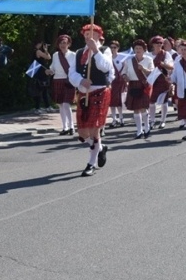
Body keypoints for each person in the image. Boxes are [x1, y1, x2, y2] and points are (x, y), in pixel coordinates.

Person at [68, 23, 113, 177]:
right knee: (82, 132)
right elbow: (71, 73)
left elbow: (106, 67)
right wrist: (80, 81)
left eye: (91, 33)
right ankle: (100, 148)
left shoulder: (104, 50)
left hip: (100, 92)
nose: (88, 36)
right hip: (84, 93)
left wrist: (95, 50)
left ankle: (91, 163)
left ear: (98, 36)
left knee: (95, 129)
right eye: (86, 34)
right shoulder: (79, 53)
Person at [122, 39, 154, 138]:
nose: (138, 50)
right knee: (136, 109)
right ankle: (139, 131)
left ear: (144, 50)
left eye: (140, 48)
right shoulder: (129, 61)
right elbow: (124, 72)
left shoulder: (149, 60)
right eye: (136, 48)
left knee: (143, 108)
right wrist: (125, 77)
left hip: (143, 85)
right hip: (133, 85)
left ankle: (147, 128)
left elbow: (152, 73)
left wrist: (143, 69)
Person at [48, 34, 76, 135]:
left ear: (68, 44)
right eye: (61, 43)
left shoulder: (73, 55)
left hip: (68, 81)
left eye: (65, 43)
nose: (63, 45)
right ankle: (65, 127)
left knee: (66, 104)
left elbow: (76, 69)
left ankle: (71, 126)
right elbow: (53, 68)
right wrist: (49, 71)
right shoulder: (56, 55)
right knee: (60, 104)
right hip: (57, 80)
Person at [148, 35, 174, 130]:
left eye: (160, 43)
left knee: (164, 102)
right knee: (151, 102)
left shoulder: (166, 54)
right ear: (153, 44)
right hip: (152, 80)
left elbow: (171, 67)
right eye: (157, 43)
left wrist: (163, 64)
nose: (159, 45)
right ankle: (152, 120)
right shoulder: (148, 55)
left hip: (163, 80)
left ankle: (163, 121)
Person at [28, 40, 53, 114]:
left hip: (39, 71)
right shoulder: (38, 51)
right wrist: (46, 50)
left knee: (43, 89)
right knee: (39, 89)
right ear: (38, 44)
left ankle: (46, 106)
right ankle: (37, 107)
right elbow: (48, 57)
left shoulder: (36, 51)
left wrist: (45, 50)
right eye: (41, 43)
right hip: (39, 72)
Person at [108, 40, 128, 128]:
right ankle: (114, 119)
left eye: (114, 47)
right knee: (112, 102)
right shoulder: (108, 57)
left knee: (120, 101)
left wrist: (125, 79)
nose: (113, 49)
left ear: (118, 48)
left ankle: (121, 119)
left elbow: (126, 68)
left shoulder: (122, 57)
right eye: (111, 47)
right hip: (112, 81)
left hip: (120, 81)